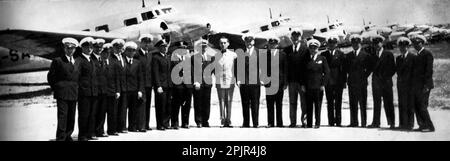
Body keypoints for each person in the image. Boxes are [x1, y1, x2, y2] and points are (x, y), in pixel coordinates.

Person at [47, 37, 80, 141]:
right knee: (63, 115)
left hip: (74, 92)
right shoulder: (58, 61)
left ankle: (68, 135)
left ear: (75, 49)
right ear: (64, 49)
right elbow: (51, 76)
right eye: (68, 48)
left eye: (72, 48)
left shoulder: (77, 61)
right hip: (62, 93)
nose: (70, 50)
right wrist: (57, 88)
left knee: (71, 115)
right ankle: (61, 137)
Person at [368, 35, 396, 129]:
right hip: (376, 83)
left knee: (388, 102)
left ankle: (392, 123)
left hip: (386, 82)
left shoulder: (388, 54)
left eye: (378, 43)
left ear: (382, 43)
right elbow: (370, 68)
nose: (377, 45)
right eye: (375, 43)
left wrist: (385, 77)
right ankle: (376, 122)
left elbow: (393, 69)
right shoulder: (372, 55)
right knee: (377, 103)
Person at [346, 34, 373, 127]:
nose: (355, 44)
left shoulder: (365, 55)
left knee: (362, 103)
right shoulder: (348, 55)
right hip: (352, 82)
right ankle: (354, 122)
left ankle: (363, 122)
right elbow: (346, 69)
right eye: (353, 43)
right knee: (352, 103)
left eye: (357, 43)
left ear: (360, 43)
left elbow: (370, 68)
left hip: (361, 82)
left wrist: (364, 76)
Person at [410, 35, 435, 132]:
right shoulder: (417, 55)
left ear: (422, 43)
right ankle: (422, 125)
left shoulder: (427, 54)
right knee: (417, 105)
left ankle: (430, 126)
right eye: (414, 44)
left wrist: (426, 85)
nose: (416, 45)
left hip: (425, 85)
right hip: (417, 86)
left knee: (422, 106)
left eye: (418, 43)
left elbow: (429, 71)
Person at [284, 28, 308, 128]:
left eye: (297, 36)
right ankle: (293, 122)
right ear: (291, 37)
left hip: (302, 82)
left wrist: (305, 83)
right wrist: (286, 82)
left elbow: (307, 67)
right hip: (291, 82)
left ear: (300, 37)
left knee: (304, 103)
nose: (295, 38)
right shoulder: (287, 49)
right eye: (293, 36)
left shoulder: (305, 49)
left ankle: (304, 121)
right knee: (292, 103)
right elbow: (285, 67)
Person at [303, 39, 329, 128]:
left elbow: (327, 72)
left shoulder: (322, 59)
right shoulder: (305, 59)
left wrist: (323, 84)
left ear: (318, 49)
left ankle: (317, 123)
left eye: (315, 48)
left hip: (318, 87)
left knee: (318, 106)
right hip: (308, 86)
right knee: (309, 106)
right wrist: (303, 85)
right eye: (311, 48)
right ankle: (309, 123)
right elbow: (302, 73)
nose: (313, 50)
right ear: (309, 49)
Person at [76, 37, 99, 141]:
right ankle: (82, 135)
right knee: (84, 115)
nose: (89, 49)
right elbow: (76, 76)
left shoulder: (92, 60)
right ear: (82, 48)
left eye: (91, 47)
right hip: (84, 93)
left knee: (92, 114)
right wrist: (80, 89)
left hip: (93, 92)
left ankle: (90, 133)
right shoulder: (79, 60)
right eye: (87, 47)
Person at [321, 36, 346, 127]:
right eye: (330, 43)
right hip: (328, 81)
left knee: (338, 102)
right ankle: (331, 121)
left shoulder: (341, 54)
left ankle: (338, 121)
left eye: (334, 43)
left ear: (336, 44)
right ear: (327, 44)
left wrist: (344, 82)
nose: (332, 45)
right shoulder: (324, 54)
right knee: (330, 102)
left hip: (338, 81)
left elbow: (343, 70)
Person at [237, 34, 262, 128]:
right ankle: (246, 123)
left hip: (255, 83)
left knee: (255, 103)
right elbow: (238, 68)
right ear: (245, 42)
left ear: (253, 42)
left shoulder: (259, 52)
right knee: (245, 103)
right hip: (244, 83)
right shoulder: (241, 53)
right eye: (247, 41)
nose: (249, 43)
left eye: (250, 41)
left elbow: (262, 67)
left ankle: (256, 123)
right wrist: (238, 80)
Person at [264, 37, 287, 127]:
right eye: (271, 44)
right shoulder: (265, 55)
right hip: (269, 83)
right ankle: (270, 122)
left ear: (277, 45)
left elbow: (285, 69)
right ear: (268, 45)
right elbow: (263, 69)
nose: (272, 46)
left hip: (279, 83)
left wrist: (285, 83)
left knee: (279, 104)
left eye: (274, 44)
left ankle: (279, 123)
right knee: (270, 104)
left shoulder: (282, 55)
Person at [122, 41, 145, 132]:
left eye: (133, 51)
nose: (131, 52)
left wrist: (140, 90)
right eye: (129, 50)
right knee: (123, 110)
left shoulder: (137, 62)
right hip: (125, 89)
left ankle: (132, 126)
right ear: (126, 51)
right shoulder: (122, 61)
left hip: (134, 89)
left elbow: (140, 77)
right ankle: (123, 127)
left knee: (133, 109)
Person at [170, 42, 193, 129]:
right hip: (177, 85)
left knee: (187, 104)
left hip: (188, 85)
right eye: (181, 47)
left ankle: (185, 122)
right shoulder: (173, 59)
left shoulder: (189, 58)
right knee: (176, 104)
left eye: (184, 47)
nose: (183, 49)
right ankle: (175, 122)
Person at [192, 39, 215, 128]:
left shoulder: (211, 57)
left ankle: (206, 120)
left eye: (205, 46)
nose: (203, 48)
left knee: (206, 102)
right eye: (201, 46)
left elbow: (213, 69)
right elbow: (192, 71)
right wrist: (195, 81)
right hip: (198, 83)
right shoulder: (194, 57)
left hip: (207, 83)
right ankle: (199, 121)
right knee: (198, 102)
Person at [134, 34, 154, 131]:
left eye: (148, 42)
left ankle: (146, 124)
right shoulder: (137, 55)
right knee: (140, 105)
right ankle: (140, 125)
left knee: (147, 104)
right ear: (140, 43)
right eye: (145, 42)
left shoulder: (150, 55)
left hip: (149, 84)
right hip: (140, 84)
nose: (146, 44)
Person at [395, 37, 415, 130]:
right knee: (401, 104)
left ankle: (410, 124)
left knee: (410, 104)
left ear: (408, 47)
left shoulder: (413, 57)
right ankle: (402, 123)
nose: (402, 48)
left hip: (410, 85)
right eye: (401, 47)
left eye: (404, 46)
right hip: (401, 85)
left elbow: (415, 72)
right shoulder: (398, 58)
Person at [216, 37, 237, 127]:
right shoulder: (216, 55)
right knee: (221, 101)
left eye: (225, 43)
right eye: (221, 43)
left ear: (228, 44)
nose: (223, 44)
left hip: (230, 80)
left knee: (228, 101)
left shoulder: (233, 55)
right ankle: (222, 120)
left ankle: (228, 120)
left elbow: (236, 68)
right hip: (219, 81)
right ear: (219, 44)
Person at [152, 39, 173, 130]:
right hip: (161, 86)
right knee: (161, 105)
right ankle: (160, 124)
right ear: (159, 48)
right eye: (163, 47)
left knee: (168, 105)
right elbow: (155, 72)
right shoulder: (156, 58)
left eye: (166, 46)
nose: (165, 48)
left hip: (168, 85)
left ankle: (166, 123)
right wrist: (158, 85)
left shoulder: (167, 57)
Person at [91, 38, 110, 137]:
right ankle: (93, 132)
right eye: (97, 47)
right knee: (94, 112)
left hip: (103, 90)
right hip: (95, 90)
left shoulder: (102, 60)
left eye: (100, 47)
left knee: (102, 112)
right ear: (93, 48)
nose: (99, 49)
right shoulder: (91, 59)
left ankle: (100, 130)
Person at [110, 39, 128, 133]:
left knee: (123, 109)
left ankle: (121, 127)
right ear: (114, 48)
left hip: (123, 87)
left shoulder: (123, 58)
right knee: (114, 109)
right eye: (117, 47)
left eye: (121, 47)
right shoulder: (111, 58)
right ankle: (113, 129)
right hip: (116, 87)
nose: (119, 49)